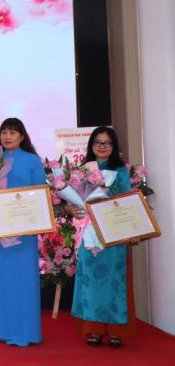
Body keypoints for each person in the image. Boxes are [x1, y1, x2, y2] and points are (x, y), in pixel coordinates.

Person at [71, 126, 135, 348]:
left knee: (115, 281)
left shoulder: (121, 171)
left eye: (107, 142)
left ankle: (116, 330)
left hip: (112, 233)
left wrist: (106, 197)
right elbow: (72, 200)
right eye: (97, 142)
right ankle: (94, 330)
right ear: (91, 145)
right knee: (91, 281)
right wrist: (73, 209)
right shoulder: (82, 170)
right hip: (89, 233)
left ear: (114, 146)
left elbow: (125, 200)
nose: (102, 146)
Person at [0, 117, 44, 346]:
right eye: (4, 132)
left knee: (22, 280)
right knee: (1, 280)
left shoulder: (31, 160)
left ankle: (24, 332)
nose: (7, 136)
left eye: (13, 132)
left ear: (22, 136)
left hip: (24, 231)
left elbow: (41, 192)